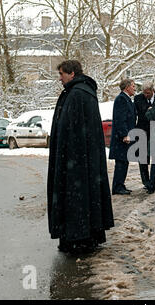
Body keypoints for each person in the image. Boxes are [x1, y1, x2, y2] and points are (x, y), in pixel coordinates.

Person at [47, 60, 114, 254]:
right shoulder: (81, 92)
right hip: (81, 158)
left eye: (62, 74)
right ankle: (86, 235)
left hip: (76, 160)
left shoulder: (77, 94)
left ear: (72, 74)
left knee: (77, 198)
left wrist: (68, 157)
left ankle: (79, 238)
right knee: (85, 196)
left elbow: (73, 130)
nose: (60, 78)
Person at [109, 78, 136, 195]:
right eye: (133, 86)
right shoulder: (121, 99)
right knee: (121, 163)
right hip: (121, 139)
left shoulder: (126, 99)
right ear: (127, 87)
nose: (135, 88)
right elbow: (120, 119)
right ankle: (117, 187)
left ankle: (120, 185)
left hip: (125, 138)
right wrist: (125, 134)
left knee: (124, 162)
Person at [133, 82, 155, 190]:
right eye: (144, 93)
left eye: (148, 93)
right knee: (143, 157)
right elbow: (140, 112)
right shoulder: (138, 98)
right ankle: (146, 182)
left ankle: (154, 180)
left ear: (152, 90)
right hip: (142, 130)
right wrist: (149, 109)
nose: (146, 95)